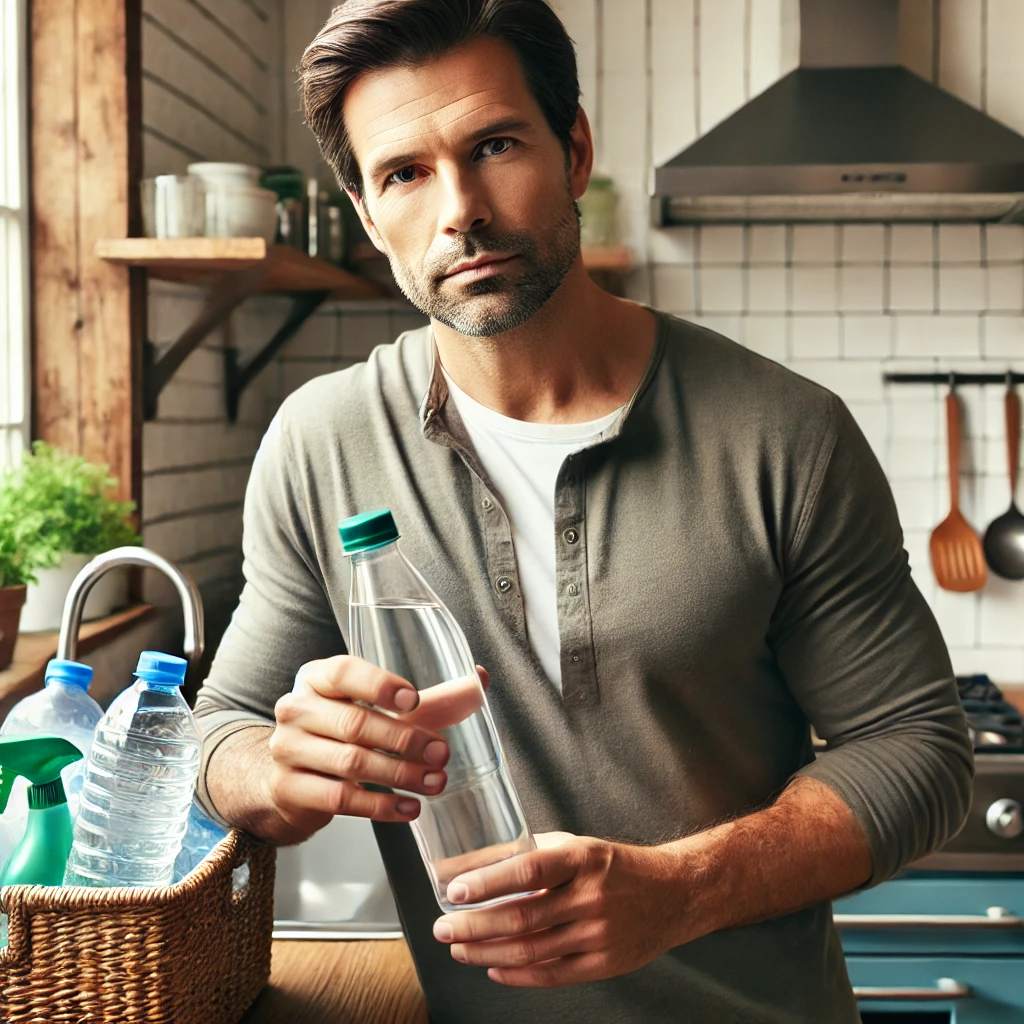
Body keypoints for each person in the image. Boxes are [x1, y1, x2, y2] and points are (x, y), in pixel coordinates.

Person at [193, 1, 974, 1020]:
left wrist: (684, 888)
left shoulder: (786, 433)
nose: (460, 208)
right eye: (405, 173)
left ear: (574, 150)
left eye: (496, 145)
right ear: (364, 207)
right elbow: (222, 738)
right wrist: (286, 769)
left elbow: (918, 749)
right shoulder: (320, 441)